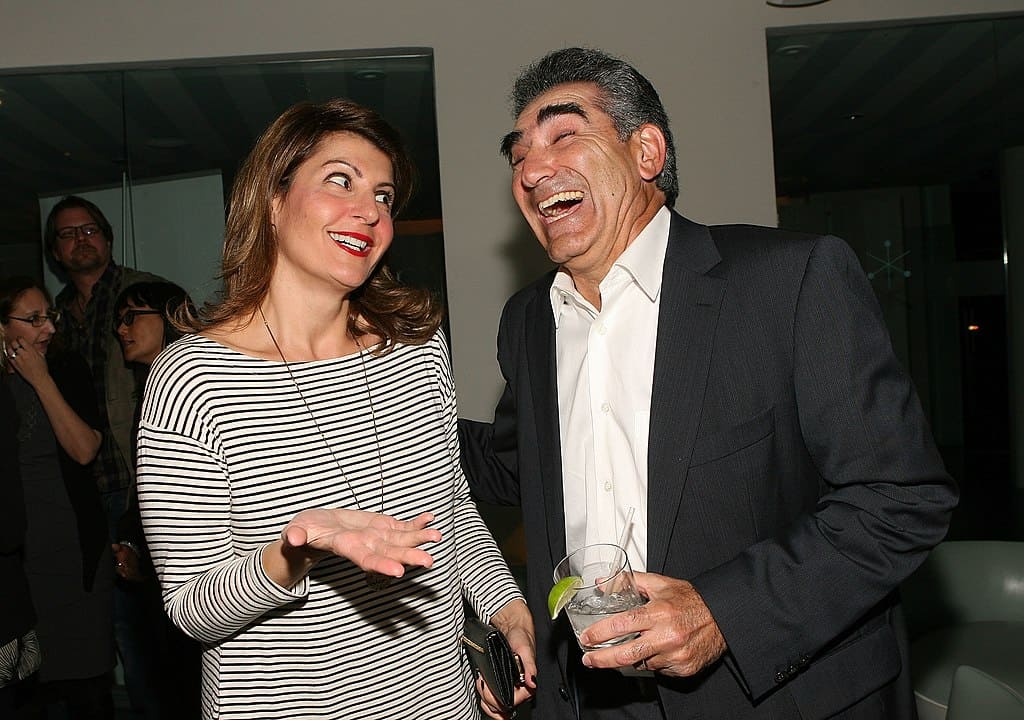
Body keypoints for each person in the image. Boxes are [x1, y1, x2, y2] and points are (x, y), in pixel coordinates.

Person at [458, 47, 959, 720]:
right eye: (518, 155)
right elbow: (517, 465)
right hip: (592, 694)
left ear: (646, 152)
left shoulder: (790, 281)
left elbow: (901, 498)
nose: (531, 170)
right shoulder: (528, 321)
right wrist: (373, 399)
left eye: (563, 136)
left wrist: (721, 612)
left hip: (772, 697)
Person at [135, 98, 537, 720]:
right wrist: (294, 550)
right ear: (273, 200)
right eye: (339, 180)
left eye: (383, 195)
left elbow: (452, 514)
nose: (369, 210)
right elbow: (191, 612)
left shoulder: (417, 348)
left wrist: (507, 609)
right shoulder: (193, 378)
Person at [44, 195, 163, 716]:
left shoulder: (141, 295)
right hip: (83, 493)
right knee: (107, 627)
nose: (81, 240)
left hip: (143, 485)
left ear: (108, 238)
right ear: (55, 251)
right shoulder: (52, 318)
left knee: (154, 631)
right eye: (68, 234)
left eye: (89, 229)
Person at [0, 275, 115, 718]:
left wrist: (41, 379)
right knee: (27, 691)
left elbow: (84, 450)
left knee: (87, 688)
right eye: (33, 319)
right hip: (17, 567)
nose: (48, 328)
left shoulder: (66, 368)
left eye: (49, 317)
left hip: (73, 556)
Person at [112, 280, 201, 719]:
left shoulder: (192, 387)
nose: (121, 329)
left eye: (132, 317)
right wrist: (134, 543)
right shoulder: (150, 387)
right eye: (118, 320)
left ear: (168, 317)